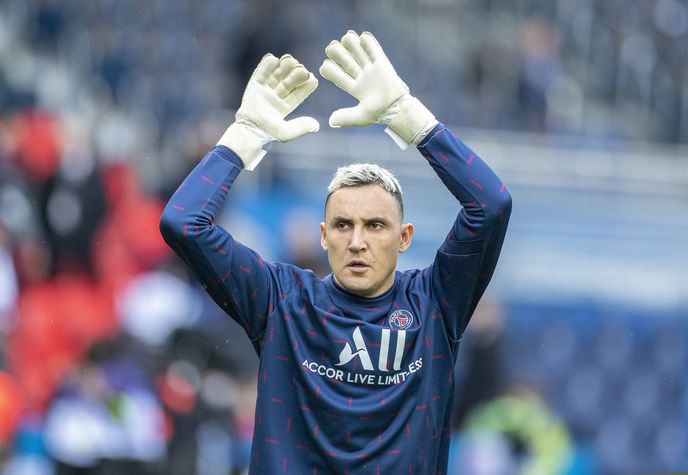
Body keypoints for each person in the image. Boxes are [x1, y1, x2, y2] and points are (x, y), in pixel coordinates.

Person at [160, 30, 511, 475]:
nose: (358, 240)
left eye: (376, 225)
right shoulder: (282, 300)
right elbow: (183, 222)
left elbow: (492, 205)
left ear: (403, 238)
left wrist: (409, 117)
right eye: (343, 225)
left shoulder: (436, 302)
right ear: (324, 237)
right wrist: (244, 137)